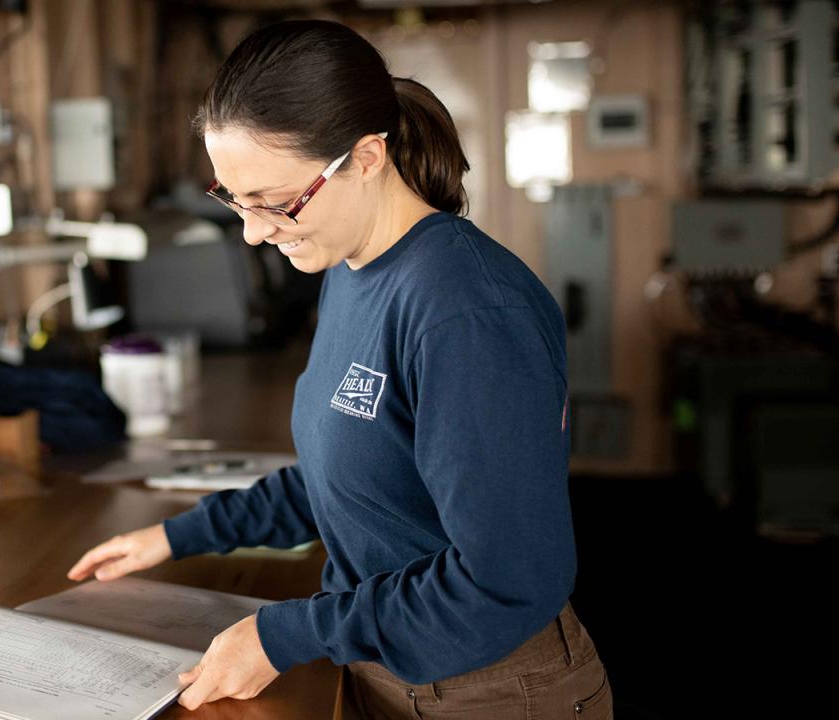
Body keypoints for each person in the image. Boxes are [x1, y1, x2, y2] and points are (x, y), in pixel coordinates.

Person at [67, 20, 612, 720]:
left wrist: (284, 634)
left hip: (490, 688)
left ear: (366, 156)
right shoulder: (347, 265)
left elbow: (508, 579)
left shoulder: (467, 312)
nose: (254, 231)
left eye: (274, 201)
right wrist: (178, 535)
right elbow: (351, 476)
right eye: (233, 198)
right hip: (385, 666)